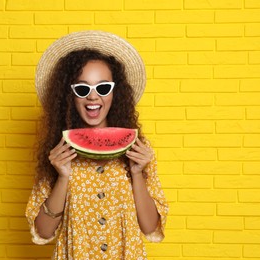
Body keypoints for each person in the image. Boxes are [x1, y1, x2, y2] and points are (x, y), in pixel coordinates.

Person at [25, 30, 169, 259]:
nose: (93, 97)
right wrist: (62, 176)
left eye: (103, 88)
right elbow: (43, 231)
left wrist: (137, 173)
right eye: (82, 89)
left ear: (115, 93)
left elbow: (150, 227)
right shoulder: (58, 151)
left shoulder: (137, 149)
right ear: (69, 95)